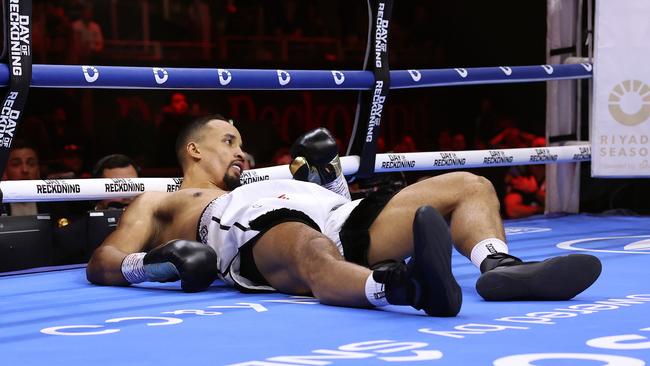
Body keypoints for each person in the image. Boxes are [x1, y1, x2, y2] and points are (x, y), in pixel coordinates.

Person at [87, 115, 602, 316]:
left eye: (243, 141)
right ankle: (405, 289)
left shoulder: (266, 176)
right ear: (194, 151)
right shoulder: (163, 201)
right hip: (256, 230)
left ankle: (499, 267)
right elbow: (103, 261)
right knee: (305, 246)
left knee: (469, 185)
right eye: (229, 142)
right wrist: (155, 265)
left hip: (338, 214)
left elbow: (331, 209)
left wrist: (329, 175)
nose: (242, 151)